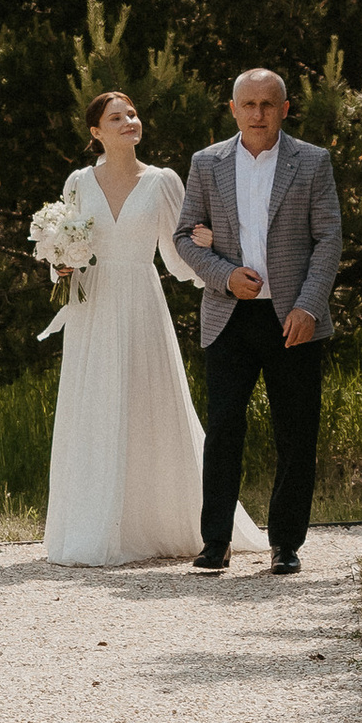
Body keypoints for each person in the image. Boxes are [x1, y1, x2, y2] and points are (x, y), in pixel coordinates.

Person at [38, 90, 263, 566]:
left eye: (133, 114)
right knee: (95, 403)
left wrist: (212, 244)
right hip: (93, 305)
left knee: (147, 403)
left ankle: (161, 521)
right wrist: (60, 262)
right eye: (116, 117)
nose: (129, 122)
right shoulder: (78, 182)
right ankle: (93, 525)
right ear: (96, 132)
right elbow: (63, 241)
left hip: (141, 299)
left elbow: (179, 254)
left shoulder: (162, 181)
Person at [171, 69, 343, 577]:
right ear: (232, 109)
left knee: (296, 431)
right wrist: (224, 276)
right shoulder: (207, 163)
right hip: (229, 317)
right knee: (223, 429)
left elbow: (328, 240)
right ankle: (215, 541)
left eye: (269, 104)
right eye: (248, 104)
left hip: (293, 318)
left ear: (285, 108)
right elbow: (184, 237)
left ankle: (286, 543)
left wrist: (308, 306)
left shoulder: (312, 162)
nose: (258, 114)